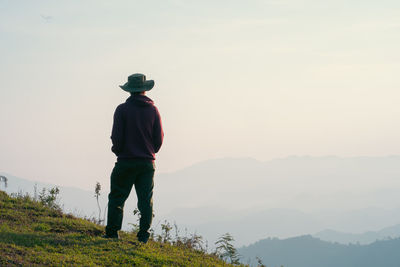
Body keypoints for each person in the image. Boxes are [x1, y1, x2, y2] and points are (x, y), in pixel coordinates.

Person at [104, 73, 164, 243]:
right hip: (147, 162)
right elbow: (158, 139)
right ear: (145, 90)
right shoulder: (153, 110)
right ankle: (144, 236)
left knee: (117, 197)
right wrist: (151, 151)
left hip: (125, 161)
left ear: (129, 90)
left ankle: (112, 232)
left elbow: (116, 137)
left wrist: (119, 151)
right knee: (145, 200)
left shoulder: (122, 109)